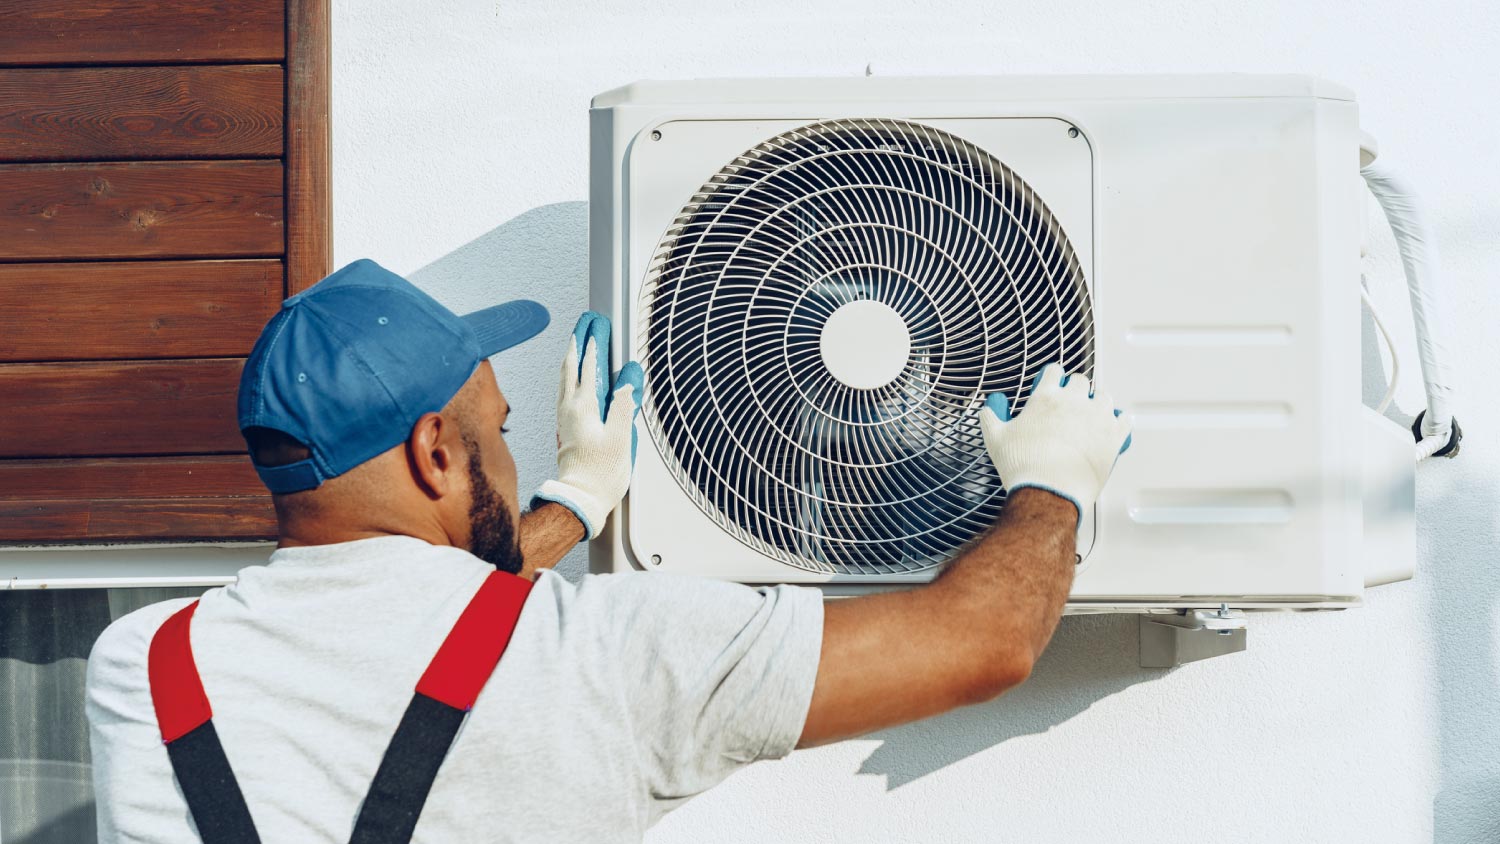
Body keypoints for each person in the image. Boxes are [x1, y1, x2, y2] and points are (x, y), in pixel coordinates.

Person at [87, 259, 1131, 843]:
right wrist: (1055, 480)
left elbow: (412, 634)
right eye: (497, 430)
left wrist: (572, 505)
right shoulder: (617, 654)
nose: (511, 451)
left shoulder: (142, 667)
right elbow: (985, 639)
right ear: (435, 451)